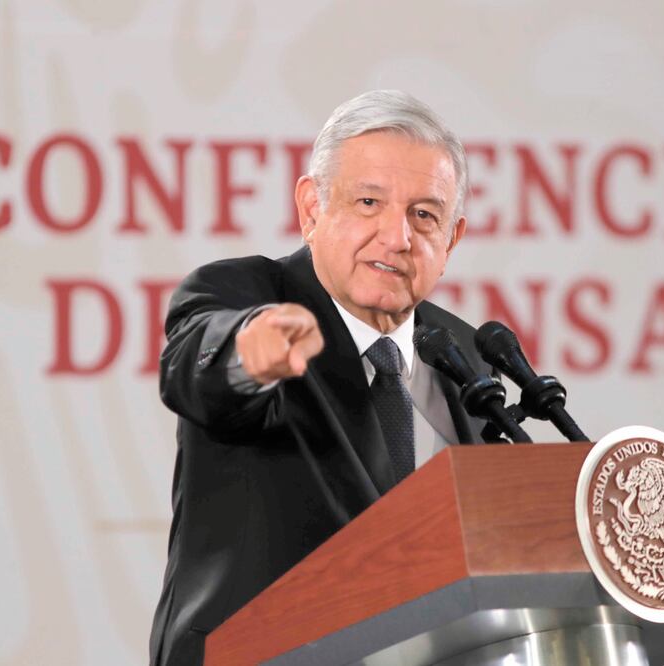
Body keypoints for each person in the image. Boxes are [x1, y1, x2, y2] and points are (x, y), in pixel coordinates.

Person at [149, 90, 495, 666]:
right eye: (368, 202)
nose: (398, 237)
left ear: (452, 239)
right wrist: (249, 352)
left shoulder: (462, 352)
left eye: (424, 214)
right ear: (312, 209)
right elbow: (197, 368)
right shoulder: (250, 296)